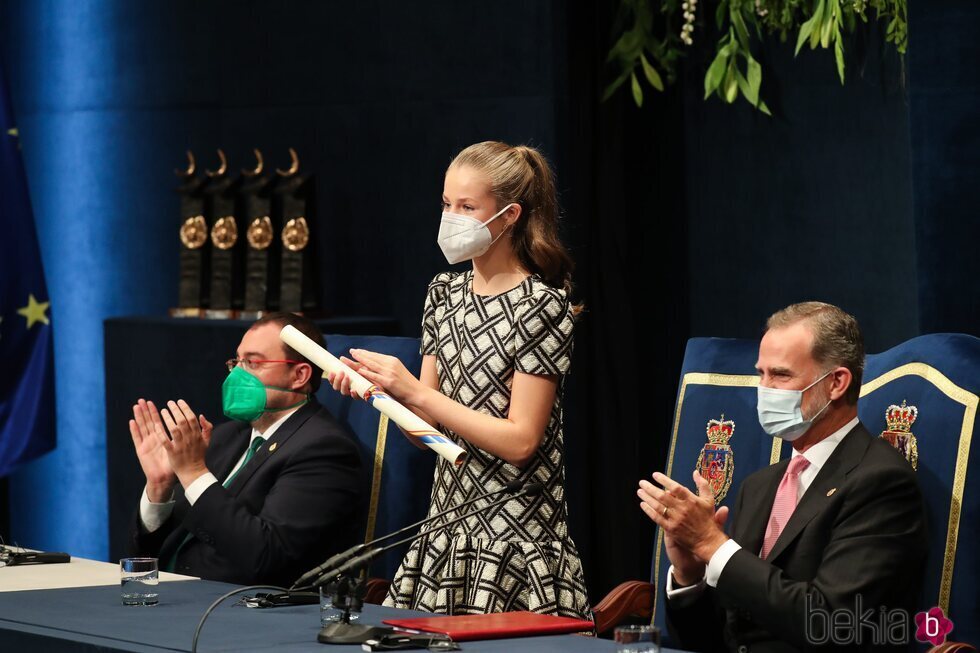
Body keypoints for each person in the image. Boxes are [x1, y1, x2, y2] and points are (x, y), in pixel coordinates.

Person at [327, 141, 590, 618]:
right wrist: (380, 393)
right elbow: (426, 433)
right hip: (445, 529)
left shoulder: (541, 304)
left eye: (468, 207)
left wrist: (410, 389)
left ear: (509, 216)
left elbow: (520, 442)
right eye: (447, 204)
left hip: (513, 536)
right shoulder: (444, 291)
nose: (452, 217)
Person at [638, 302, 928, 652]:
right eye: (761, 374)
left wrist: (713, 545)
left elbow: (834, 624)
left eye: (780, 375)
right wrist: (691, 575)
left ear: (837, 382)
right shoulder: (758, 486)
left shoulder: (881, 482)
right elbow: (717, 640)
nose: (764, 389)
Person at [127, 312, 365, 587]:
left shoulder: (324, 449)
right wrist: (159, 490)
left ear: (299, 375)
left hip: (237, 611)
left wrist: (193, 472)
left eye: (252, 362)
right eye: (236, 362)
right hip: (166, 597)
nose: (238, 374)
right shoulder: (227, 436)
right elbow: (143, 555)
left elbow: (264, 556)